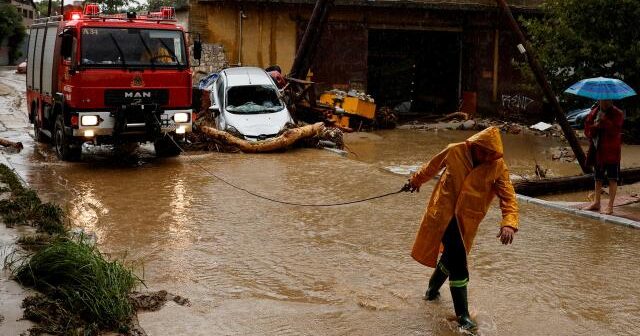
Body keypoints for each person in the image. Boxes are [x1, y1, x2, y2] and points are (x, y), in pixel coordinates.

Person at [404, 126, 519, 331]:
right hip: (444, 214)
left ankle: (431, 290)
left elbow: (508, 197)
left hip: (467, 221)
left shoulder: (498, 166)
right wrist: (415, 181)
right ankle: (463, 317)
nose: (485, 156)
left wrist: (509, 223)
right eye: (482, 150)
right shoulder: (454, 150)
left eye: (489, 153)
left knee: (450, 256)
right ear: (474, 144)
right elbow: (431, 167)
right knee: (458, 261)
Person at [583, 100, 624, 215]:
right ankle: (597, 202)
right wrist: (595, 125)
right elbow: (587, 131)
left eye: (607, 99)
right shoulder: (593, 112)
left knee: (612, 178)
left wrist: (604, 120)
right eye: (602, 99)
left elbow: (615, 131)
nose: (605, 102)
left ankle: (610, 206)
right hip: (598, 150)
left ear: (611, 100)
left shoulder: (618, 113)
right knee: (598, 178)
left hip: (612, 151)